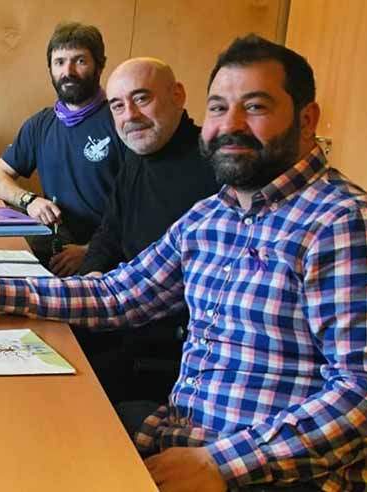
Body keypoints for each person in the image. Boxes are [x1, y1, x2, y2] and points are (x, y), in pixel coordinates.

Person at [0, 35, 367, 491]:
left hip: (271, 475)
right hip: (186, 438)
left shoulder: (349, 225)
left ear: (307, 120)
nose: (231, 124)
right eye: (220, 108)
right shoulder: (212, 216)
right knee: (2, 440)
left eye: (257, 107)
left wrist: (221, 465)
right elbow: (120, 293)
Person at [77, 57, 222, 404]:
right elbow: (109, 233)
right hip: (121, 313)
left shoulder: (216, 167)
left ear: (178, 96)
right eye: (117, 105)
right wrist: (90, 275)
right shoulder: (137, 155)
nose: (130, 115)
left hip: (171, 349)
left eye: (142, 99)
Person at [0, 22, 130, 276]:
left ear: (99, 65)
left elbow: (141, 207)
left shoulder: (121, 122)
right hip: (56, 249)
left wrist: (90, 251)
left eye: (80, 61)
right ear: (50, 68)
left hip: (110, 260)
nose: (68, 71)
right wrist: (29, 201)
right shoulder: (41, 124)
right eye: (59, 62)